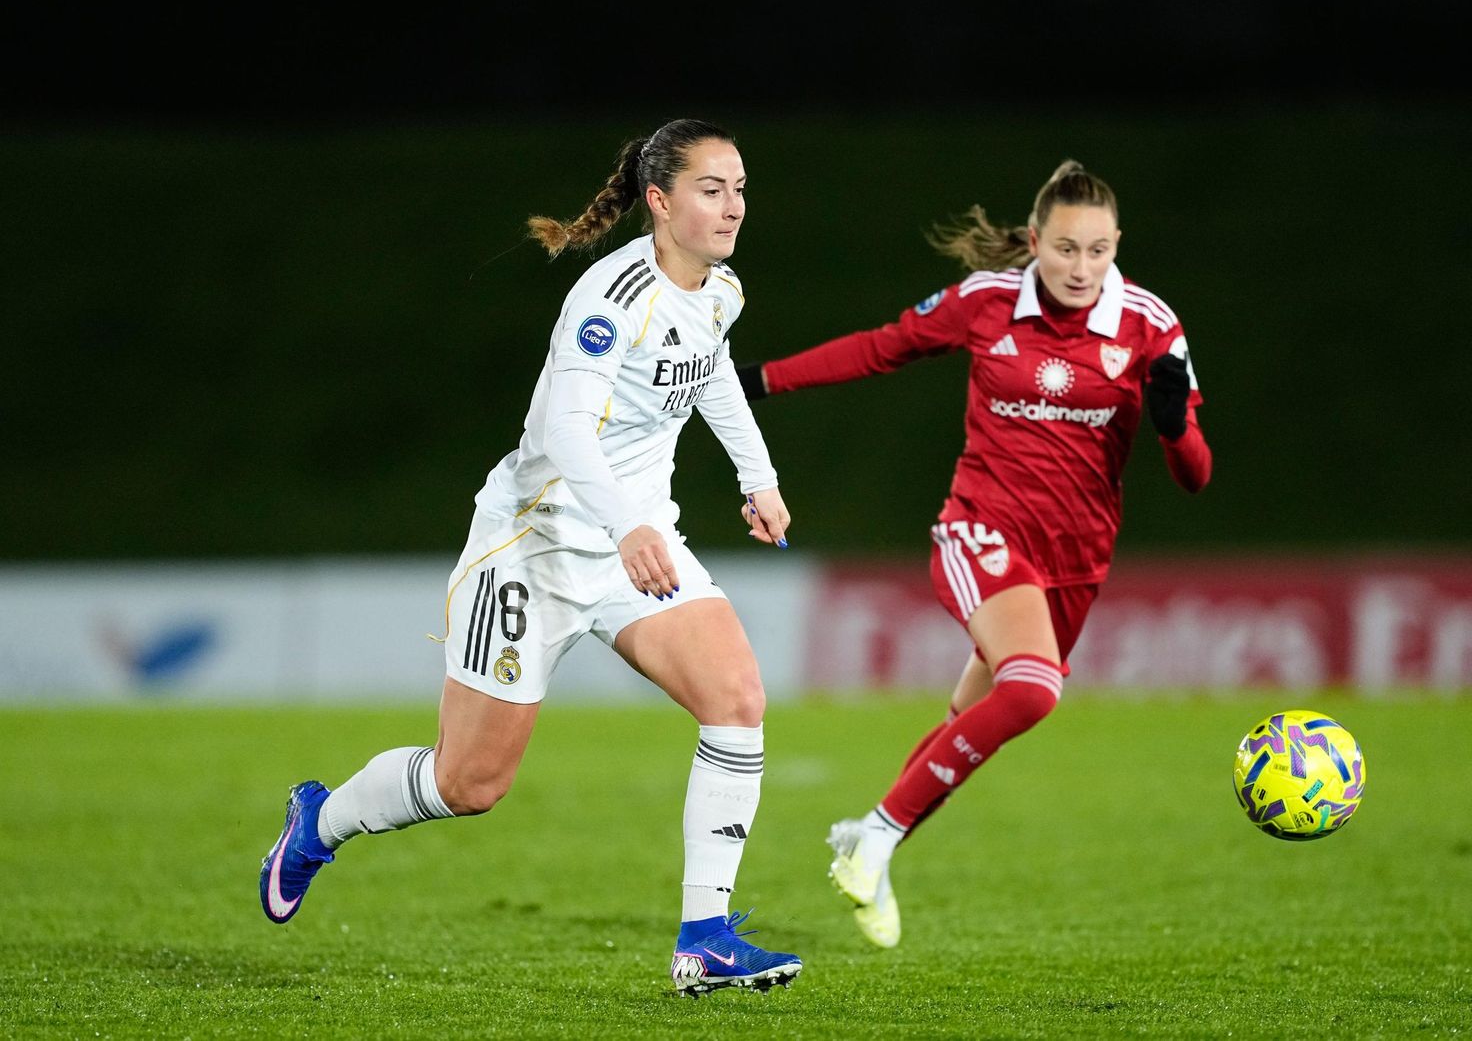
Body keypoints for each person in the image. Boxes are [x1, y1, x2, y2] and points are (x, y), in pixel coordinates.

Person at [259, 119, 803, 996]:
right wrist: (628, 526)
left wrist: (758, 477)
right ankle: (320, 822)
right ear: (660, 202)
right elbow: (566, 434)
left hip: (633, 547)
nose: (733, 206)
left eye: (739, 188)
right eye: (712, 189)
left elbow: (711, 371)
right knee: (470, 783)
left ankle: (704, 938)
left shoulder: (720, 292)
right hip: (536, 547)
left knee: (737, 699)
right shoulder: (609, 298)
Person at [737, 159, 1212, 949]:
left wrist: (1173, 426)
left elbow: (1195, 475)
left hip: (1077, 561)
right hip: (982, 529)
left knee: (970, 722)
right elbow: (880, 348)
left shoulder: (1150, 325)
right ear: (1035, 241)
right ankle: (879, 835)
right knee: (1033, 691)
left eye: (1098, 251)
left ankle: (867, 839)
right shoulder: (987, 301)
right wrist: (752, 382)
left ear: (1118, 245)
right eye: (1065, 249)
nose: (1081, 268)